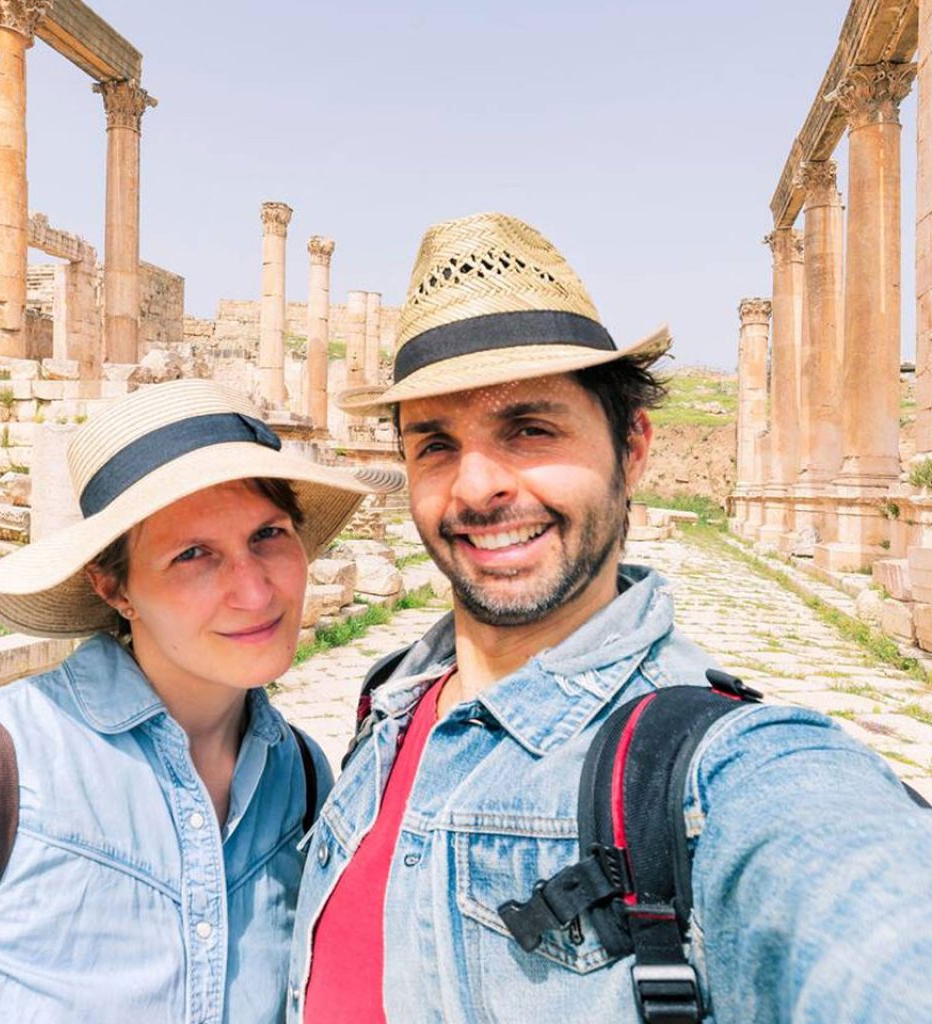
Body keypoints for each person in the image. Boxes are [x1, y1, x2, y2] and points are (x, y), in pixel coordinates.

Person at [288, 212, 932, 1023]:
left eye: (529, 428)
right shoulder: (391, 703)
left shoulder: (720, 777)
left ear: (632, 449)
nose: (477, 485)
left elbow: (863, 909)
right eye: (436, 443)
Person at [0, 378, 400, 1023]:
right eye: (193, 554)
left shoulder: (304, 778)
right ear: (114, 588)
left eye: (268, 535)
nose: (255, 593)